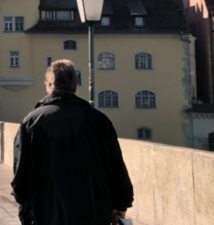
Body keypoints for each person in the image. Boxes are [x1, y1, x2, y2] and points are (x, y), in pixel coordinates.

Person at [11, 60, 133, 225]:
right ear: (76, 86)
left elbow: (21, 173)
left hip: (46, 211)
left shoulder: (32, 121)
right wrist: (121, 203)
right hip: (93, 211)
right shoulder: (99, 120)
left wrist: (25, 206)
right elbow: (116, 166)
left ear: (49, 86)